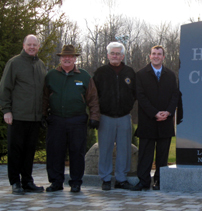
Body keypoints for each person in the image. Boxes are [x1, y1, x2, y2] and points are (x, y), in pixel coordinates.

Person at [43, 45, 100, 193]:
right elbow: (44, 98)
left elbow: (93, 98)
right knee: (55, 152)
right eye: (64, 57)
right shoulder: (51, 76)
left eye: (70, 57)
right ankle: (56, 182)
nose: (67, 59)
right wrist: (43, 115)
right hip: (56, 120)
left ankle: (75, 182)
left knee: (77, 152)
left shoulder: (84, 76)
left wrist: (94, 117)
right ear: (60, 58)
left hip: (77, 120)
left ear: (75, 59)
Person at [0, 34, 47, 195]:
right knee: (16, 150)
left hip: (34, 118)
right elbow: (5, 88)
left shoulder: (41, 65)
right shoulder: (14, 63)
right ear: (24, 45)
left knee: (29, 151)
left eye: (35, 44)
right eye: (29, 44)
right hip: (17, 116)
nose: (32, 47)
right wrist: (6, 110)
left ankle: (27, 181)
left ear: (38, 46)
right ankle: (15, 182)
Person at [133, 45, 179, 191]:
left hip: (165, 122)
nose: (156, 56)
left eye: (159, 54)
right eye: (154, 53)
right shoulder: (140, 74)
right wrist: (154, 113)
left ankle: (159, 181)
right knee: (145, 154)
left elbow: (175, 95)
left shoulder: (171, 75)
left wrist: (169, 112)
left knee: (162, 155)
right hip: (148, 121)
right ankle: (144, 182)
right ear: (149, 56)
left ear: (163, 57)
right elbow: (141, 97)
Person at [93, 42, 136, 191]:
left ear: (123, 55)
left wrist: (128, 106)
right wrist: (95, 115)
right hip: (106, 117)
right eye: (112, 53)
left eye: (118, 53)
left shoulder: (130, 72)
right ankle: (105, 179)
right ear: (108, 55)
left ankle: (121, 179)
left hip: (124, 116)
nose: (115, 56)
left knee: (124, 149)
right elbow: (93, 96)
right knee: (105, 149)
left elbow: (134, 94)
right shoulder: (100, 72)